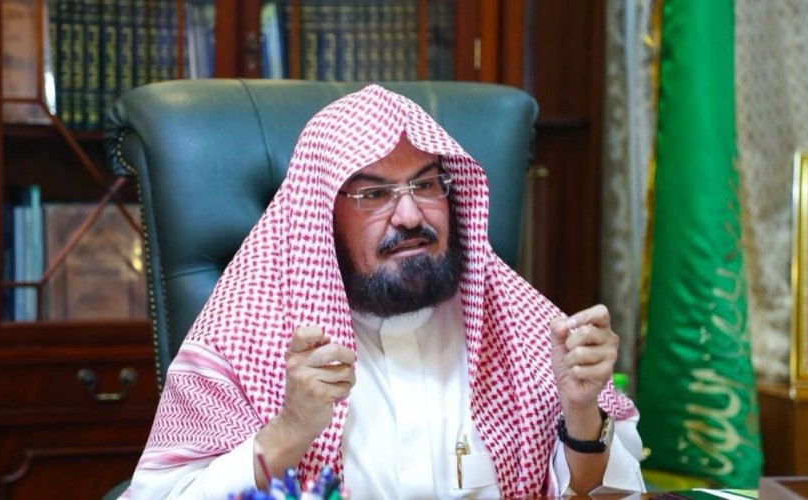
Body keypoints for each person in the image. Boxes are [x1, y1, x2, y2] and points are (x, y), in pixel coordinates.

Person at [126, 85, 645, 498]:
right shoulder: (243, 341)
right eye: (374, 194)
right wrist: (291, 428)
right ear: (322, 218)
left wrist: (581, 412)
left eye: (425, 184)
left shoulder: (518, 327)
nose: (411, 215)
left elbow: (611, 491)